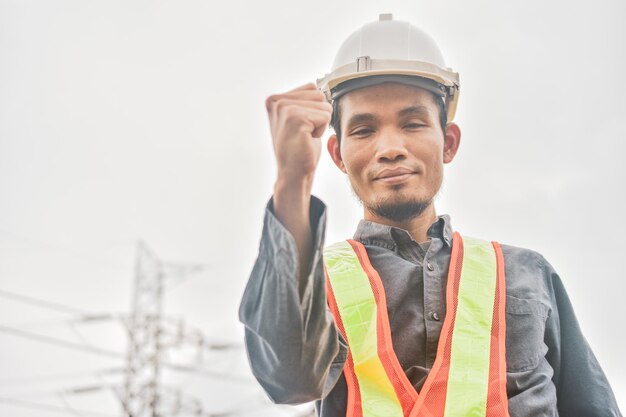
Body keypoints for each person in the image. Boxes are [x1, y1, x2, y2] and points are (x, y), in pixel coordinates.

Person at [238, 14, 622, 417]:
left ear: (449, 143)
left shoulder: (527, 274)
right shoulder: (314, 284)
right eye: (364, 130)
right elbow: (290, 379)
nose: (390, 147)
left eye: (413, 123)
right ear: (337, 155)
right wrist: (293, 180)